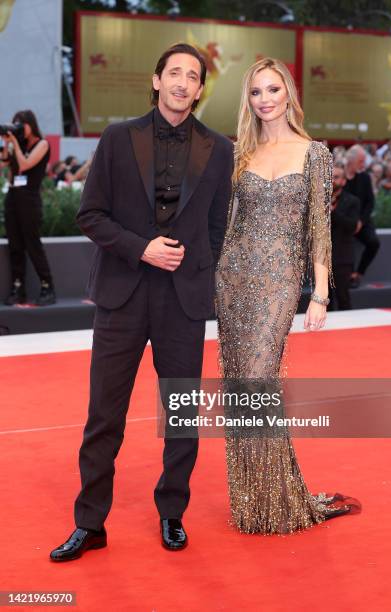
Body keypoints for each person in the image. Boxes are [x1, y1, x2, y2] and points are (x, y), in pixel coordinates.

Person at [49, 43, 233, 561]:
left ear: (200, 89)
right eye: (173, 72)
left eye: (192, 76)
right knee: (104, 414)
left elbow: (218, 225)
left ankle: (172, 512)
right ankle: (90, 523)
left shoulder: (219, 149)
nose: (181, 82)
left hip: (183, 299)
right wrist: (141, 248)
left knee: (181, 414)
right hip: (122, 293)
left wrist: (196, 264)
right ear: (156, 80)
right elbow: (92, 215)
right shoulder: (116, 138)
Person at [215, 58, 360, 535]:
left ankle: (278, 498)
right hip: (233, 279)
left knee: (258, 380)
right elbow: (229, 224)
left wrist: (319, 294)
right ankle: (257, 501)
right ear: (248, 100)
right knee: (243, 390)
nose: (265, 99)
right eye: (256, 92)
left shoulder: (314, 153)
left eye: (272, 89)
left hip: (279, 283)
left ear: (288, 93)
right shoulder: (241, 152)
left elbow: (320, 228)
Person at [1, 110, 56, 305]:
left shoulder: (42, 144)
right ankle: (18, 288)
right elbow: (4, 164)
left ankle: (47, 286)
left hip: (29, 199)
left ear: (30, 124)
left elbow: (24, 165)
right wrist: (6, 143)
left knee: (32, 244)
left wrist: (14, 143)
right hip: (13, 197)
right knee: (14, 245)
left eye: (20, 125)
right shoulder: (18, 145)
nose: (17, 129)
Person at [344, 144, 380, 289]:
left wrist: (361, 221)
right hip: (343, 222)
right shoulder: (339, 176)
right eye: (361, 161)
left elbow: (370, 202)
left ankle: (358, 274)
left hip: (362, 220)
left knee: (374, 242)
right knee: (344, 244)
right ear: (351, 161)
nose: (363, 165)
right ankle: (348, 275)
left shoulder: (364, 177)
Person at [329, 162, 361, 310]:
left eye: (336, 177)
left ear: (343, 181)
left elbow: (352, 226)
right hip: (323, 259)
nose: (332, 180)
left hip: (342, 258)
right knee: (323, 300)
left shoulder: (352, 201)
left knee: (343, 298)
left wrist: (333, 212)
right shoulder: (318, 200)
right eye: (330, 176)